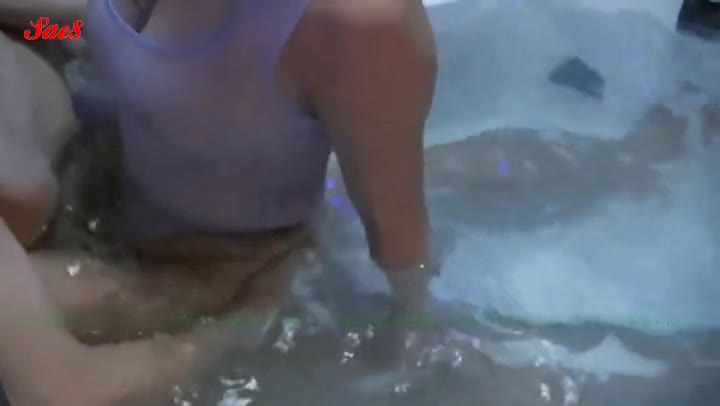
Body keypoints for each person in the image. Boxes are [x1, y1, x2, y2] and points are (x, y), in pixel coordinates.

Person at [0, 0, 438, 403]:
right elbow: (95, 26)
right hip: (104, 205)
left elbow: (399, 235)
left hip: (225, 276)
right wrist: (38, 31)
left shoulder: (358, 23)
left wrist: (413, 324)